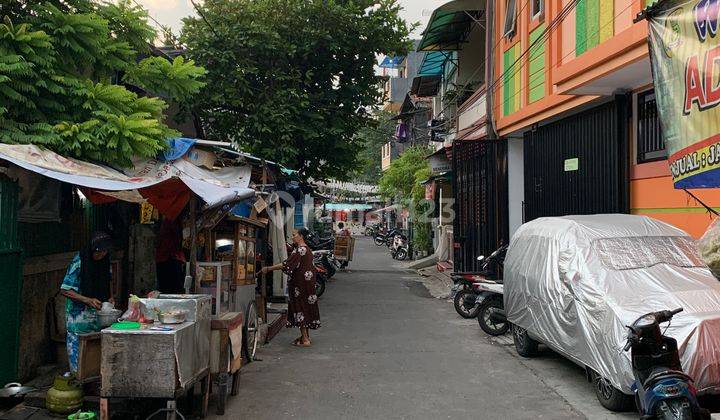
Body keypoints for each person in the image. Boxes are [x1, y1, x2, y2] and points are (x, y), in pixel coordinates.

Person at [60, 231, 114, 373]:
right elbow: (65, 290)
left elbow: (108, 281)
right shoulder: (79, 262)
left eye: (104, 252)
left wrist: (110, 297)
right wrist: (87, 300)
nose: (101, 255)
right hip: (78, 320)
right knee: (79, 358)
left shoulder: (105, 261)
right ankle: (78, 384)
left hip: (97, 319)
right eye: (98, 252)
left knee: (95, 357)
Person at [260, 228, 320, 347]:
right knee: (305, 308)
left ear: (301, 236)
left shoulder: (300, 250)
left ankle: (306, 339)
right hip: (307, 285)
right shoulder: (306, 249)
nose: (292, 237)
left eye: (294, 235)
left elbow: (286, 265)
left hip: (300, 286)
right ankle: (304, 336)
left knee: (300, 309)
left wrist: (268, 268)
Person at [156, 217, 186, 294]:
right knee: (174, 287)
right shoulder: (172, 220)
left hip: (165, 257)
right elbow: (177, 239)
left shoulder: (168, 220)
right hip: (169, 257)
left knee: (166, 288)